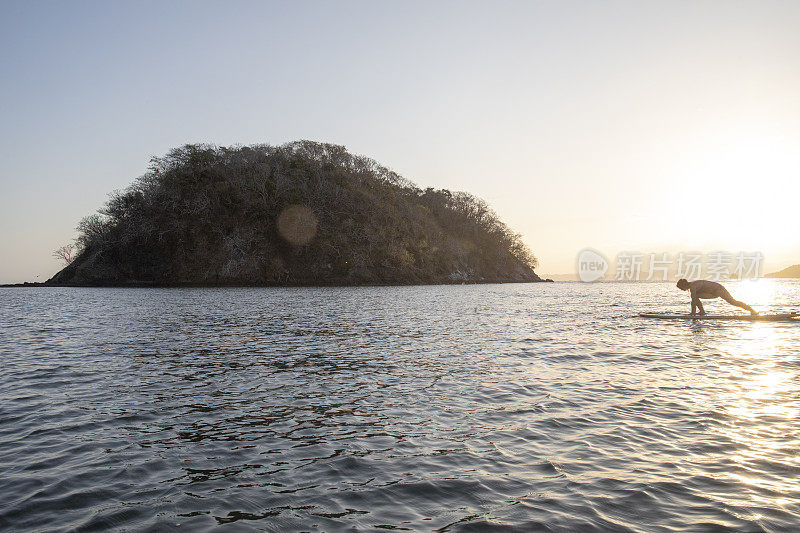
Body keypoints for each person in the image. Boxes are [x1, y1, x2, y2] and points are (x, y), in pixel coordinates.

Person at [676, 279, 757, 316]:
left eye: (681, 288)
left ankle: (752, 310)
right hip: (711, 292)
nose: (682, 290)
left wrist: (692, 313)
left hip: (719, 289)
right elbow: (694, 300)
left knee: (733, 302)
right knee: (695, 296)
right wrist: (693, 312)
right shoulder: (692, 287)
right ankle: (702, 312)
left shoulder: (693, 286)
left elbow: (693, 302)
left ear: (684, 285)